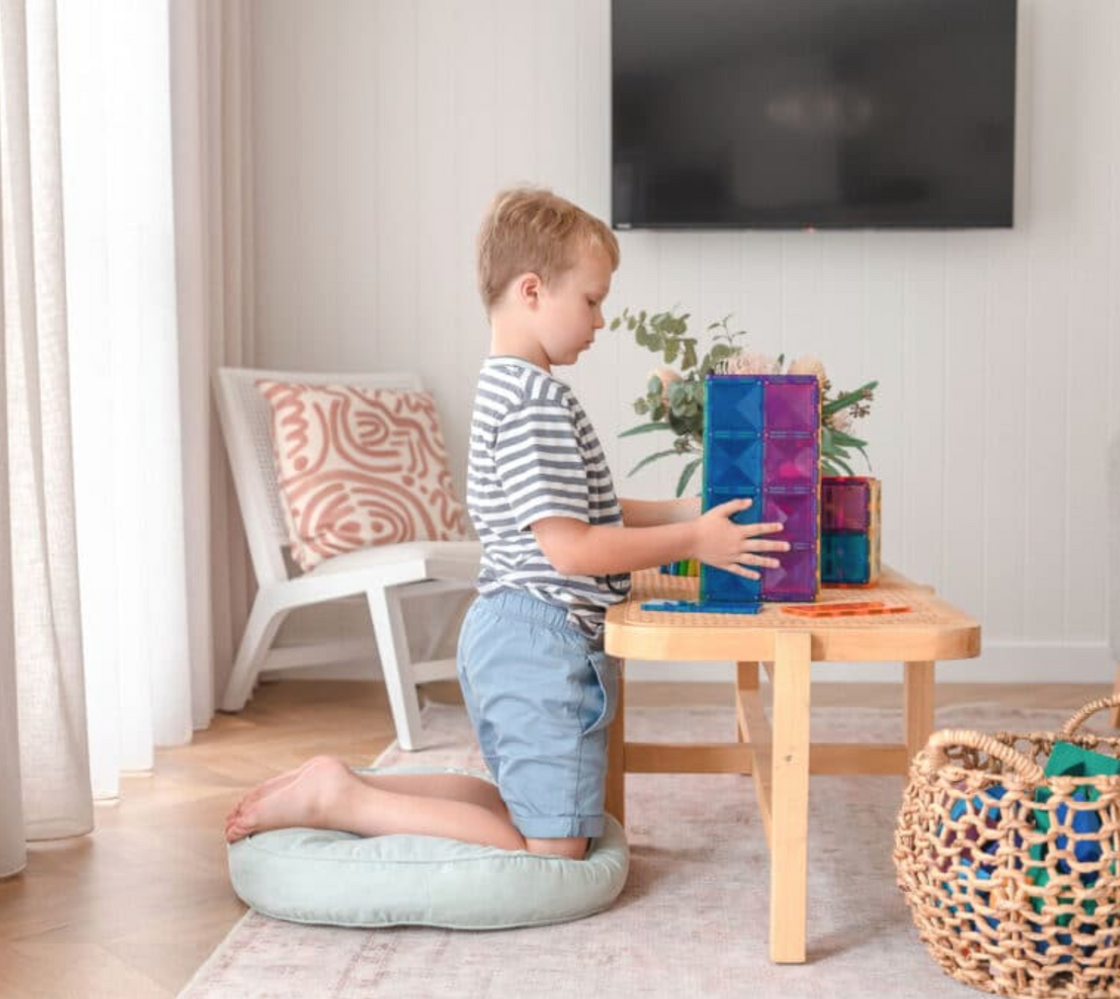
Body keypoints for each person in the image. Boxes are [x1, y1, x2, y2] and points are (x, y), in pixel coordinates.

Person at [224, 188, 788, 858]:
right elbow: (571, 548)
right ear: (531, 291)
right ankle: (346, 801)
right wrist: (695, 541)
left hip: (521, 633)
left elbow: (583, 508)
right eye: (591, 300)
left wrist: (683, 511)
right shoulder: (533, 403)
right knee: (552, 849)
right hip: (538, 643)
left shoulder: (512, 386)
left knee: (520, 806)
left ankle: (350, 784)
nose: (601, 320)